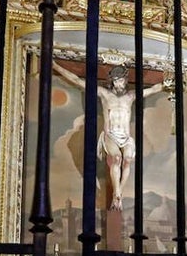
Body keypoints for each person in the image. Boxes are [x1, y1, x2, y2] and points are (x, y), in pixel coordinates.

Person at [54, 63, 162, 211]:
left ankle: (118, 193)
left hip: (126, 137)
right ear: (112, 81)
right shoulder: (104, 94)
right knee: (117, 159)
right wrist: (56, 66)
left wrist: (167, 84)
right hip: (111, 135)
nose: (121, 83)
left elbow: (153, 89)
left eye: (123, 80)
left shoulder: (130, 96)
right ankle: (117, 194)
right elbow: (77, 80)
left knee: (128, 160)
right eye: (118, 80)